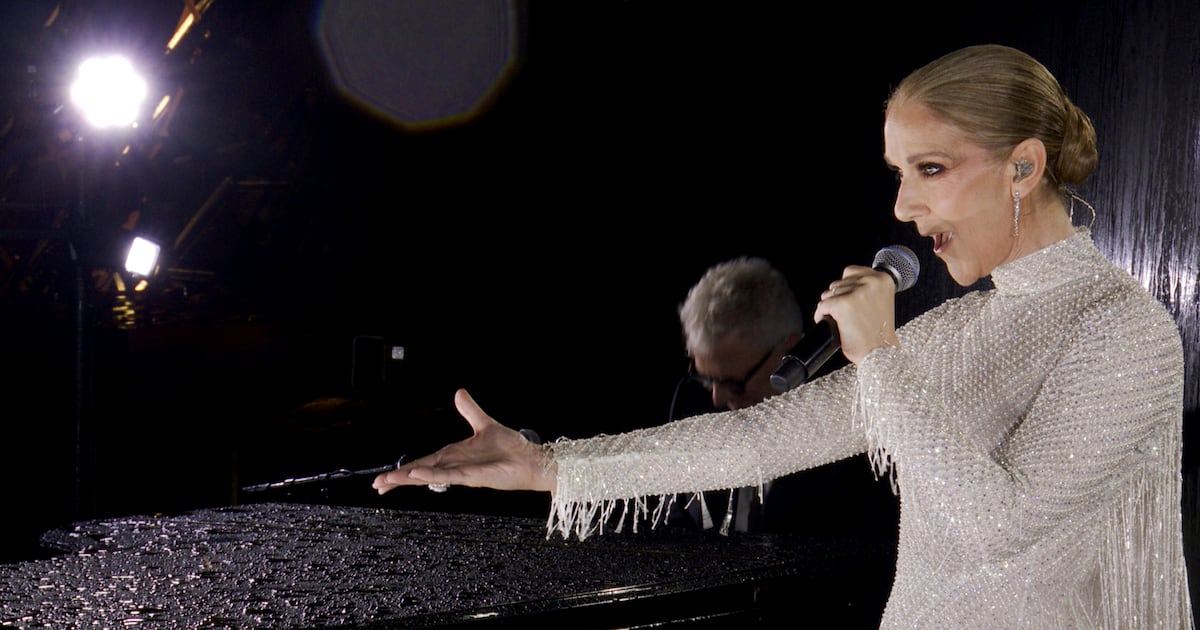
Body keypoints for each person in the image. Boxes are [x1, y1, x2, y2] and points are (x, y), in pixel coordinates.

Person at [375, 44, 1194, 628]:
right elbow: (761, 438)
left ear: (1024, 166)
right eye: (898, 174)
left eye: (931, 169)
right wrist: (548, 466)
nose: (903, 207)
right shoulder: (958, 329)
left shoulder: (1122, 331)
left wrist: (882, 358)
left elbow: (1001, 528)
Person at [669, 256, 898, 547]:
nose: (717, 397)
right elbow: (675, 526)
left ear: (789, 351)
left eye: (733, 383)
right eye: (705, 378)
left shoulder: (851, 429)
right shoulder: (691, 400)